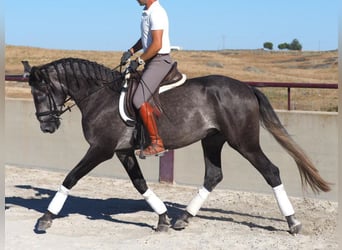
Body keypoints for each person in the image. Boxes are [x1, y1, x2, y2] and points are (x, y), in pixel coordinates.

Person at [121, 0, 172, 157]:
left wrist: (139, 61)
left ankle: (157, 143)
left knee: (138, 99)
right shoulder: (147, 12)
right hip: (151, 60)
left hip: (159, 60)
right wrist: (131, 50)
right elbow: (145, 38)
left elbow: (157, 44)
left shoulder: (157, 12)